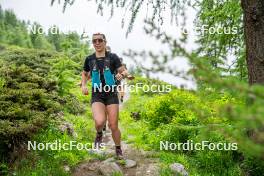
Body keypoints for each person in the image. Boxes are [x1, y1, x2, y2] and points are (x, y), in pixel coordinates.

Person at [81, 33, 129, 159]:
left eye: (99, 40)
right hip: (97, 94)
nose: (97, 43)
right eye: (94, 41)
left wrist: (122, 75)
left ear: (105, 42)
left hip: (111, 93)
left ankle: (118, 149)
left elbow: (124, 71)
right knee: (99, 121)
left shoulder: (113, 57)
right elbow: (85, 73)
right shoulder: (89, 59)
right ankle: (99, 134)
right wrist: (83, 85)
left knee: (113, 125)